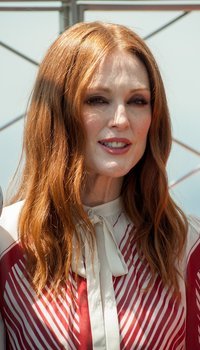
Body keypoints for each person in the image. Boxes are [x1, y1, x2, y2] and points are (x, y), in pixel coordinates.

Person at [0, 21, 199, 350]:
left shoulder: (187, 246)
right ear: (59, 113)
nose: (121, 119)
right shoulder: (8, 242)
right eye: (96, 100)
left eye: (137, 101)